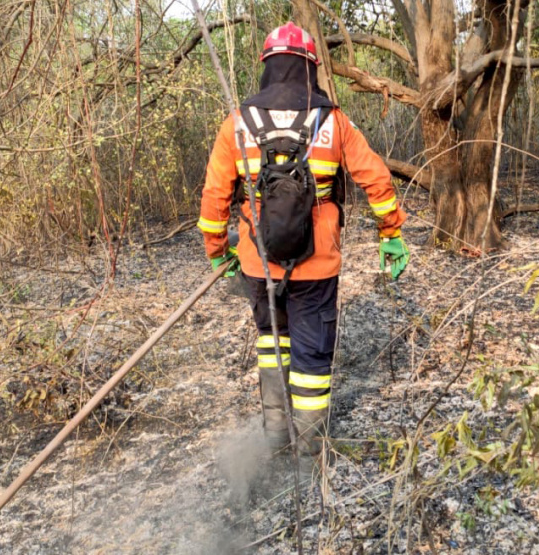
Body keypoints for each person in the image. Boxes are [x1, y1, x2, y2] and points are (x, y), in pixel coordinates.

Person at [198, 22, 409, 469]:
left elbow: (214, 198)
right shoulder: (332, 121)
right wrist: (390, 233)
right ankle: (310, 455)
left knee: (272, 342)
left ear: (267, 66)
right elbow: (376, 179)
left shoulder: (238, 123)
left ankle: (276, 440)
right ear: (311, 68)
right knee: (311, 354)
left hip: (258, 262)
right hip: (317, 264)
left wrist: (219, 251)